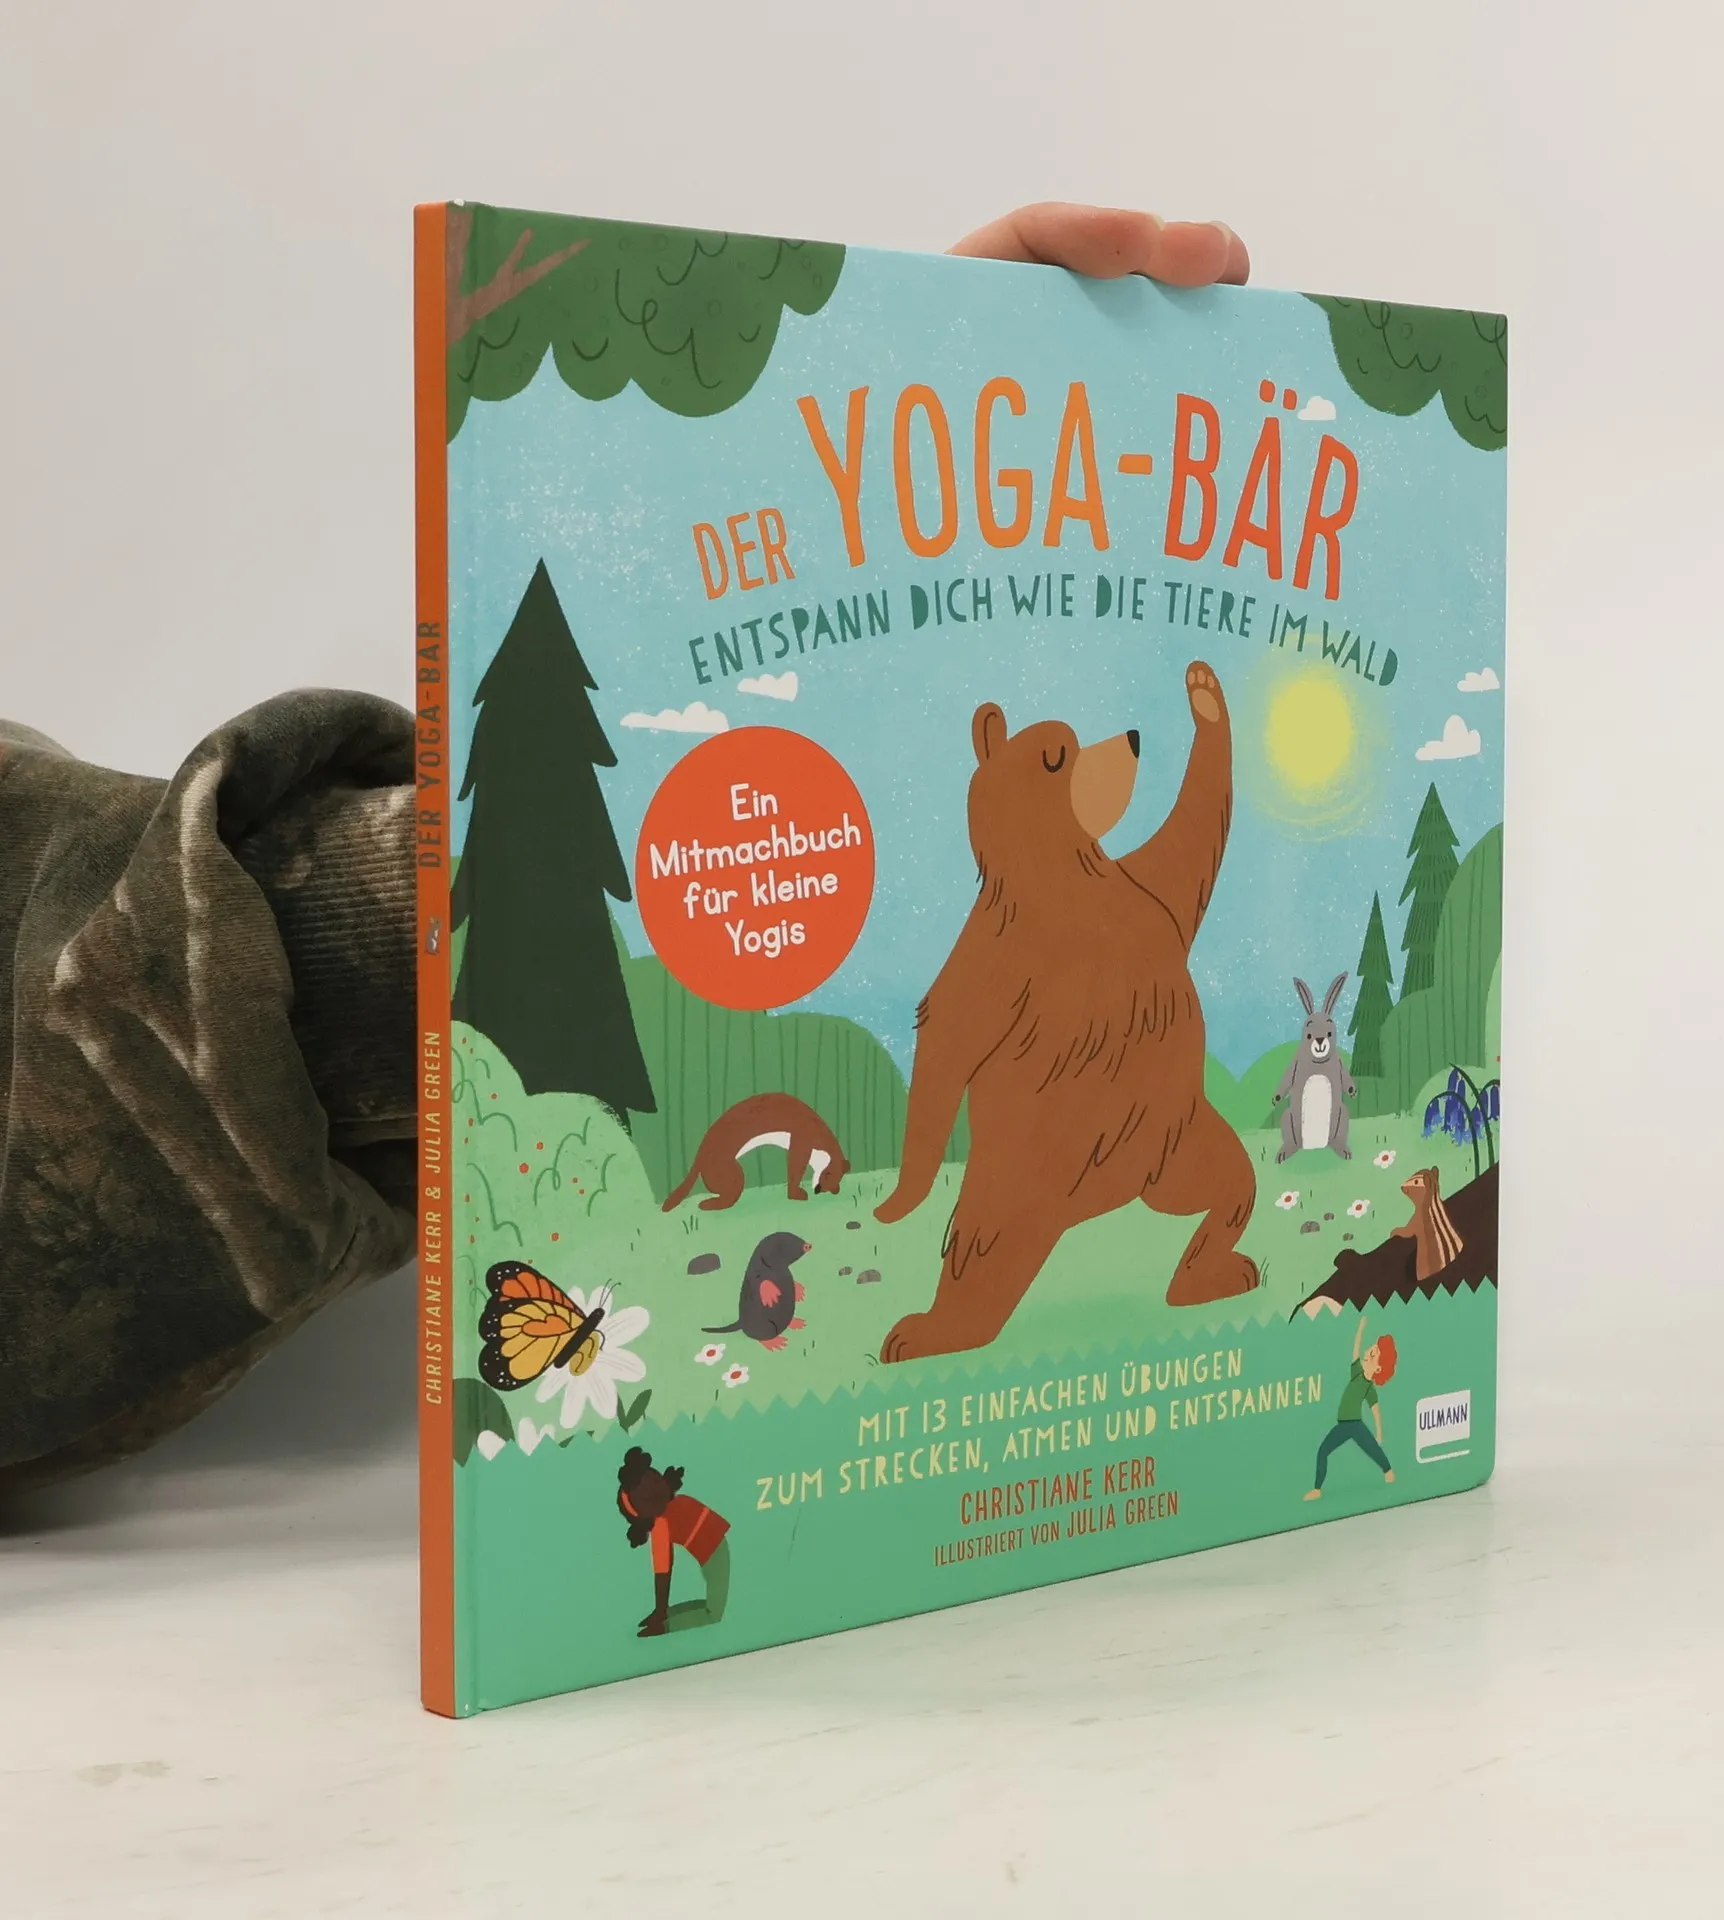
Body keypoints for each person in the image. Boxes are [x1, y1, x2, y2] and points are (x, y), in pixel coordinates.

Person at [0, 206, 1250, 1496]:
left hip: (1165, 1126)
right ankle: (959, 1311)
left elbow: (1195, 852)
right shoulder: (1005, 935)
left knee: (1227, 1185)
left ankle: (1208, 1249)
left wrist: (1200, 739)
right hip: (1034, 1162)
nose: (1113, 762)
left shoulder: (1128, 893)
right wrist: (912, 1174)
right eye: (1062, 763)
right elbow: (944, 1055)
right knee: (987, 1263)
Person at [616, 1449, 732, 1637]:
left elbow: (663, 1572)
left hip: (715, 1551)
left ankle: (664, 1617)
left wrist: (661, 1610)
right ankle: (666, 1625)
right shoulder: (661, 1524)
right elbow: (662, 1573)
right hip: (715, 1553)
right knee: (714, 1614)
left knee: (711, 1605)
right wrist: (660, 1609)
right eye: (647, 1498)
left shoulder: (670, 1510)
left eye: (656, 1481)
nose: (657, 1489)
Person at [1304, 1314, 1398, 1499]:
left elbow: (1375, 1411)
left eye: (1374, 1354)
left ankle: (1388, 1472)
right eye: (1372, 1349)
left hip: (1355, 1424)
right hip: (1343, 1424)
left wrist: (1379, 1432)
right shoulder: (1356, 1373)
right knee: (1323, 1450)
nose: (1369, 1352)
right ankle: (1317, 1489)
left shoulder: (1369, 1388)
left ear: (1378, 1369)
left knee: (1372, 1449)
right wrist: (1361, 1329)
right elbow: (1355, 1350)